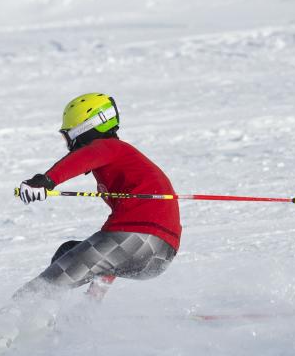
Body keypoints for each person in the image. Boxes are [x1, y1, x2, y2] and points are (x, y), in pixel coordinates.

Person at [14, 93, 181, 302]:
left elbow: (85, 156)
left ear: (82, 129)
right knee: (69, 252)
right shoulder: (122, 157)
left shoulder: (110, 147)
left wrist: (46, 180)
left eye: (68, 136)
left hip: (137, 238)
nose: (68, 143)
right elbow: (109, 254)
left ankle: (14, 316)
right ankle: (89, 309)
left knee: (45, 287)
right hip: (161, 254)